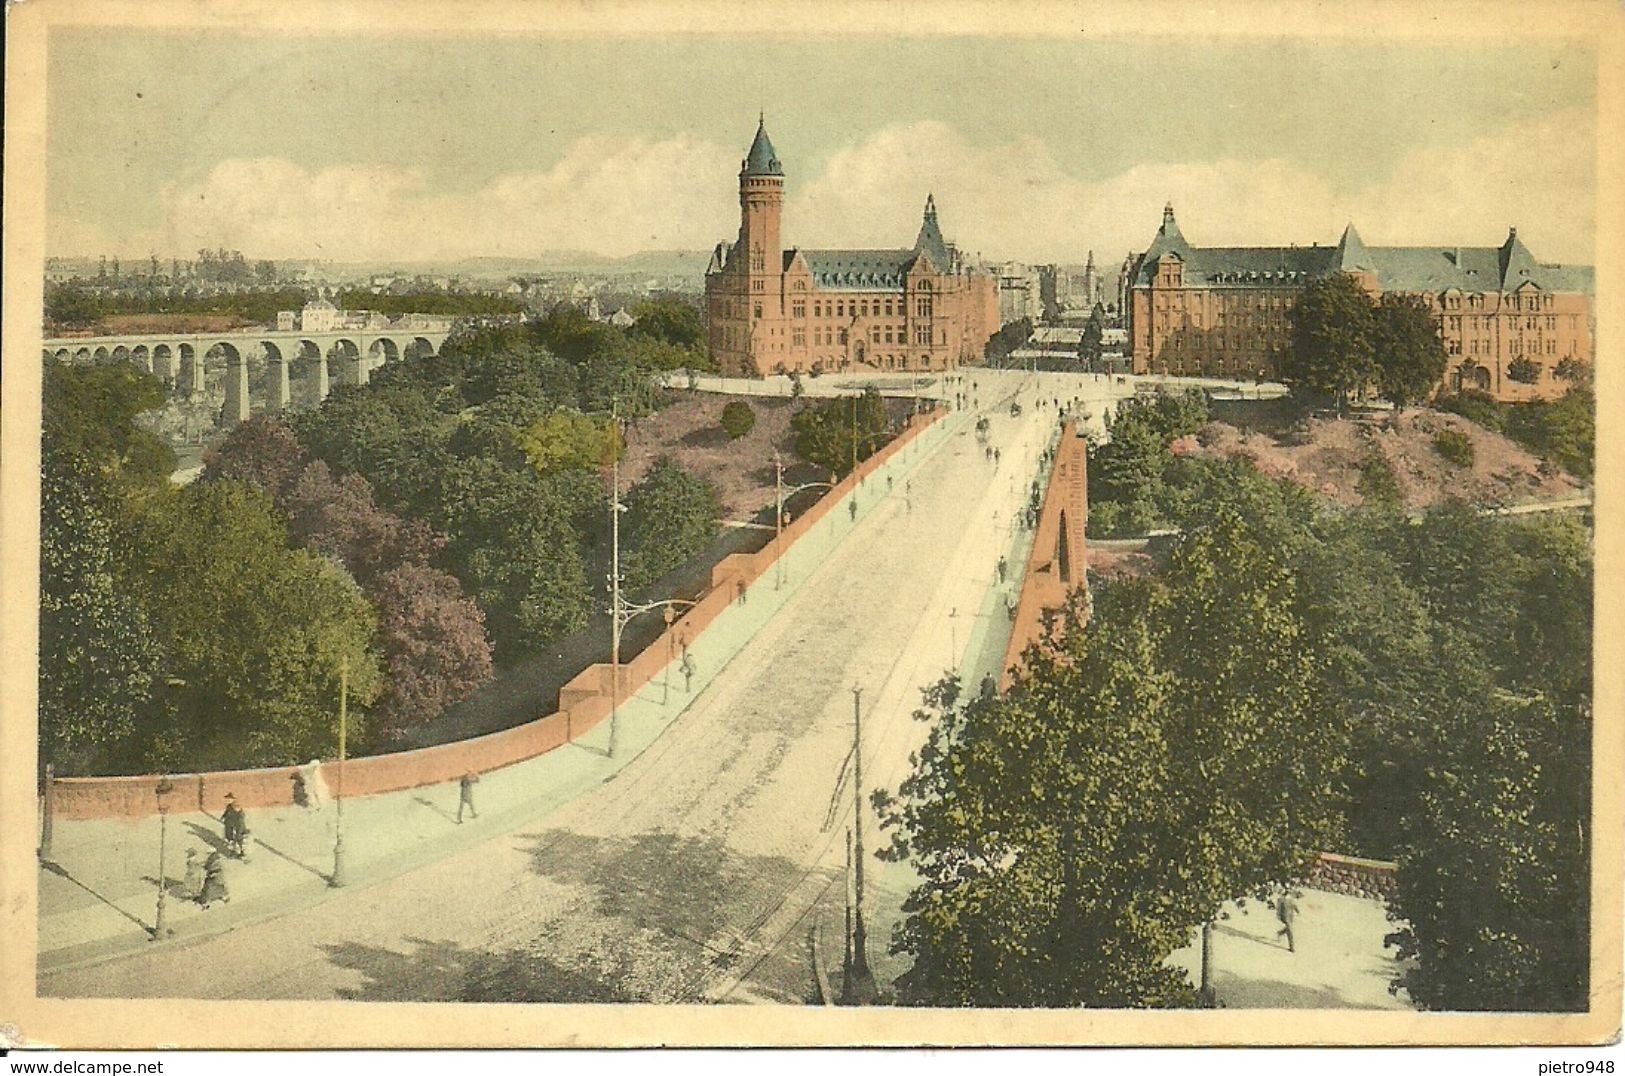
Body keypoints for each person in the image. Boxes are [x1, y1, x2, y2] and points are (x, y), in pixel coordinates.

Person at [221, 793, 248, 859]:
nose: (227, 800)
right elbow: (227, 812)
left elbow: (240, 820)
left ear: (233, 799)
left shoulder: (236, 807)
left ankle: (242, 853)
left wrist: (239, 829)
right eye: (227, 799)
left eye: (229, 799)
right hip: (230, 826)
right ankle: (234, 852)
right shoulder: (229, 806)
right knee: (231, 839)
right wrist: (223, 816)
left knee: (239, 840)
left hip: (237, 827)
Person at [1276, 888, 1300, 953]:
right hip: (1284, 916)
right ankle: (1291, 947)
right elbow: (1278, 908)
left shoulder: (1291, 899)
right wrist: (1278, 915)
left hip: (1291, 916)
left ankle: (1280, 933)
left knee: (1288, 928)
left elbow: (1294, 906)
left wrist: (1298, 911)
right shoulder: (1281, 899)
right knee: (1290, 931)